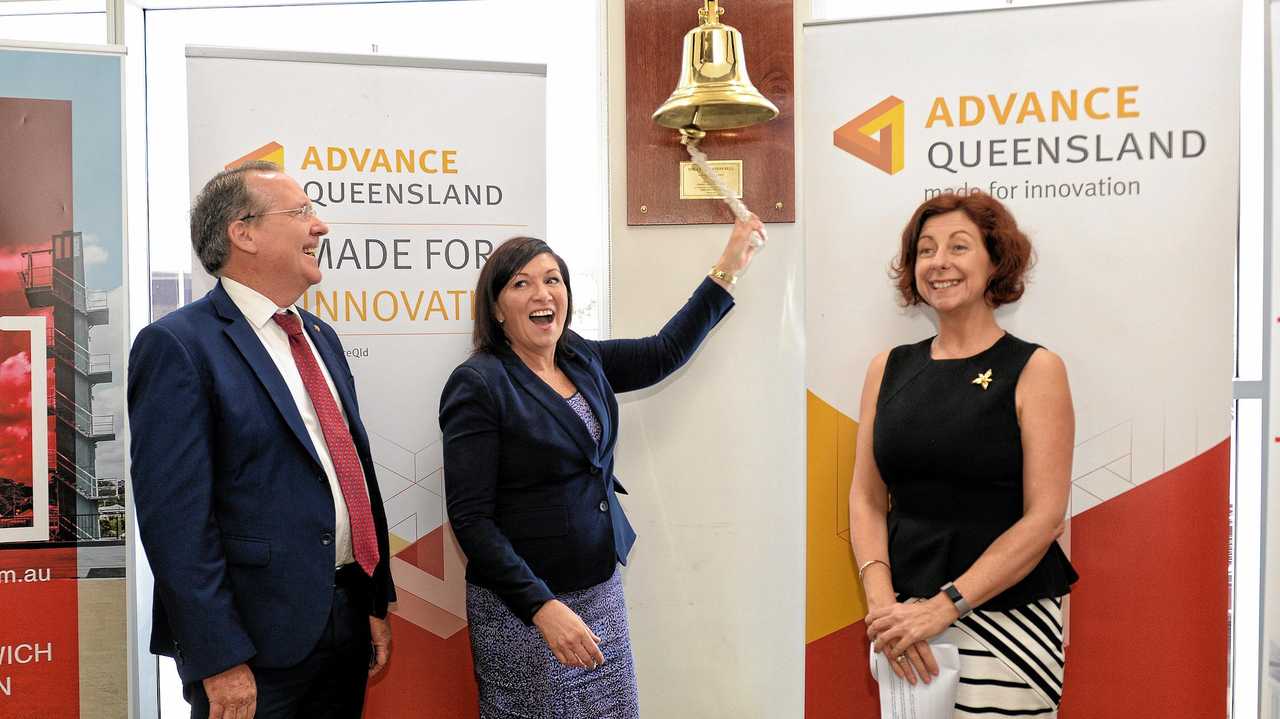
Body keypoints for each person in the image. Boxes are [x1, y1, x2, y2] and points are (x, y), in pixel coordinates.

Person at [439, 216, 765, 717]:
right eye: (521, 283)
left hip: (599, 594)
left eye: (552, 280)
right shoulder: (479, 385)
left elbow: (663, 352)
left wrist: (728, 267)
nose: (541, 293)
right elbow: (472, 521)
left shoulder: (578, 357)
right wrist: (542, 608)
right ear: (497, 309)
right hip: (526, 612)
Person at [129, 161, 395, 719]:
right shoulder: (177, 346)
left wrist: (371, 598)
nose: (319, 227)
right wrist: (218, 657)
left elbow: (350, 473)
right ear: (243, 233)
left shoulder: (319, 336)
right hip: (252, 647)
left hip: (344, 622)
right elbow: (175, 524)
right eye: (301, 212)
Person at [848, 192, 1078, 717]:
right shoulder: (888, 368)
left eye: (959, 246)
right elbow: (865, 497)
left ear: (996, 261)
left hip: (1008, 621)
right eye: (925, 250)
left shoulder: (1036, 369)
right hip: (904, 623)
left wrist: (945, 606)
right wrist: (883, 606)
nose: (939, 263)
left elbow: (1044, 518)